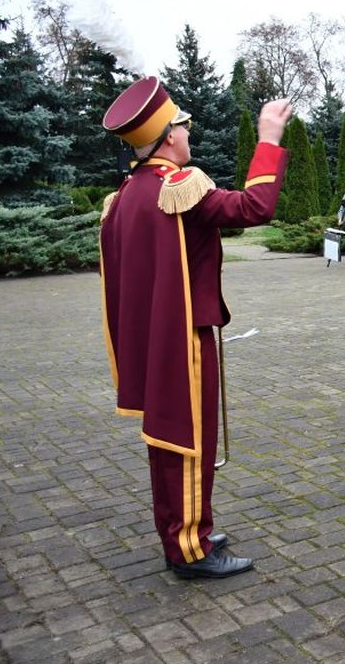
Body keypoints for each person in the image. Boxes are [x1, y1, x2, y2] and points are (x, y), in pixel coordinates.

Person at [99, 76, 292, 578]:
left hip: (153, 338)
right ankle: (189, 547)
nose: (188, 134)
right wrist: (269, 139)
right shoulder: (178, 186)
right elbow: (255, 207)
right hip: (184, 337)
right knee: (188, 439)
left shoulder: (126, 194)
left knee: (168, 440)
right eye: (183, 127)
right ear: (168, 137)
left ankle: (186, 528)